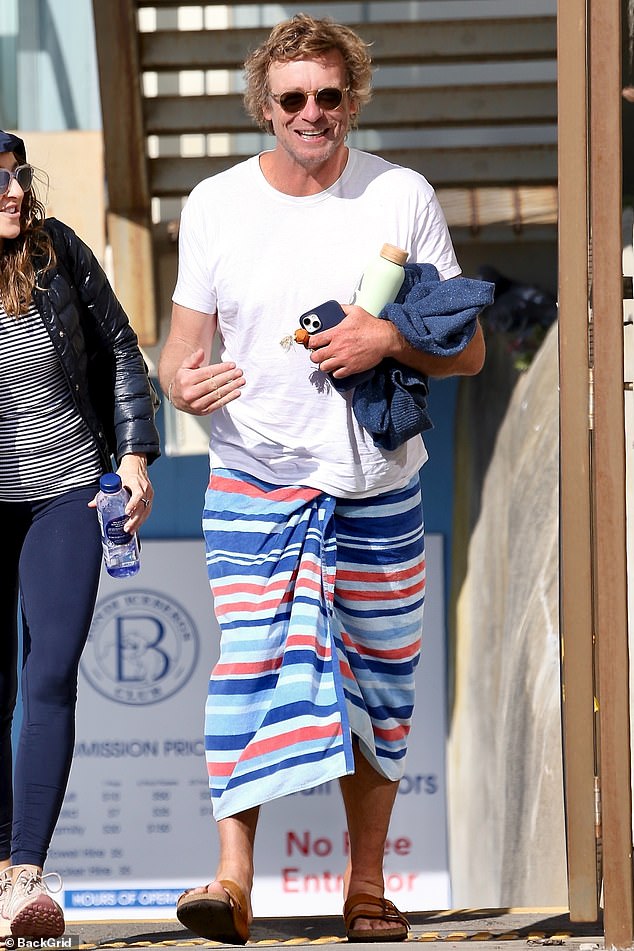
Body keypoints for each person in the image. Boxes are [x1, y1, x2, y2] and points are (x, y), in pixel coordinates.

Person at [158, 13, 485, 945]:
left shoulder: (402, 195)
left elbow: (464, 353)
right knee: (247, 670)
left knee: (383, 683)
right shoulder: (217, 203)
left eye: (329, 96)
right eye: (293, 97)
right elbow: (179, 357)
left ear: (353, 100)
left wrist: (387, 338)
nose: (312, 113)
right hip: (253, 477)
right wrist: (184, 385)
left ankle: (369, 886)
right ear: (264, 105)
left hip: (378, 480)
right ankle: (231, 882)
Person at [0, 130, 161, 939]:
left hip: (64, 490)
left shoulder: (56, 252)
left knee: (52, 671)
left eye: (16, 176)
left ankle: (26, 871)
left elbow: (122, 350)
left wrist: (133, 456)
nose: (13, 193)